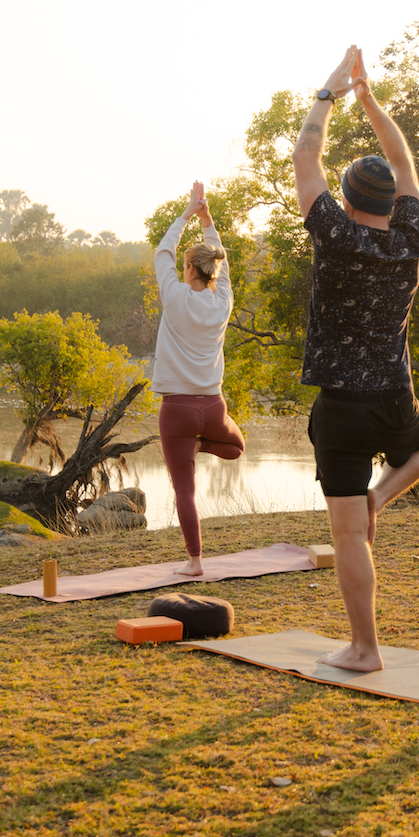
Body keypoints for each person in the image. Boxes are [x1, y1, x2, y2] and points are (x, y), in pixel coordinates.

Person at [292, 45, 419, 672]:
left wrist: (331, 90)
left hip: (343, 409)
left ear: (347, 196)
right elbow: (404, 160)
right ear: (390, 204)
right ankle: (382, 496)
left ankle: (365, 648)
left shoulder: (333, 232)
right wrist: (371, 100)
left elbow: (306, 153)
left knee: (348, 534)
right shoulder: (410, 241)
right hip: (394, 398)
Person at [152, 180, 245, 576]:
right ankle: (202, 444)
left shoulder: (173, 297)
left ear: (188, 268)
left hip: (177, 411)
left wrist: (189, 213)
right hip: (213, 405)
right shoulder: (223, 302)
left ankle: (194, 561)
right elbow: (221, 269)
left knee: (184, 491)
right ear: (213, 270)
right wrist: (209, 223)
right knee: (237, 447)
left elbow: (162, 251)